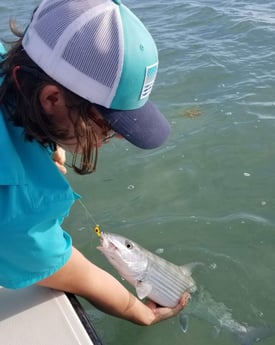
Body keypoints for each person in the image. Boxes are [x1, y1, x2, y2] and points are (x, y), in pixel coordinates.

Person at [0, 0, 189, 326]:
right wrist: (138, 311)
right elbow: (72, 272)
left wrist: (44, 136)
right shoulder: (19, 202)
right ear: (51, 100)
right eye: (108, 125)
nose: (115, 137)